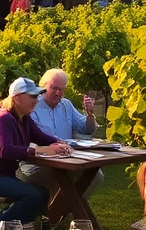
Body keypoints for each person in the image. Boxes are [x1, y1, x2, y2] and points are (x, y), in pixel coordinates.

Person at [0, 77, 71, 230]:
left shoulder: (23, 118)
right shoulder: (3, 119)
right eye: (33, 96)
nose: (37, 100)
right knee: (33, 195)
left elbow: (40, 137)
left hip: (3, 176)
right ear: (17, 97)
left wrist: (59, 143)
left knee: (43, 193)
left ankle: (21, 228)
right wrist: (44, 150)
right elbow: (5, 150)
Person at [20, 68, 102, 196]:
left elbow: (86, 129)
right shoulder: (33, 106)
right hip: (37, 163)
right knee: (64, 176)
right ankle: (65, 207)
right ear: (43, 87)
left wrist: (90, 114)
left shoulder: (66, 105)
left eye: (61, 89)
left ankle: (68, 206)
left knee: (96, 175)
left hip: (66, 160)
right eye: (54, 88)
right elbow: (38, 137)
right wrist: (58, 145)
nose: (58, 93)